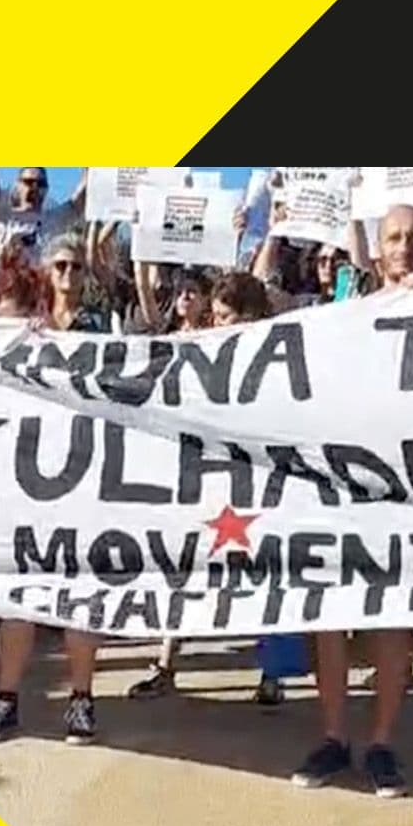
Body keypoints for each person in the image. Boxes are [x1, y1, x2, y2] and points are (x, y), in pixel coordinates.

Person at [289, 202, 413, 798]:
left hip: (412, 483)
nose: (404, 247)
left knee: (391, 615)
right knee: (331, 613)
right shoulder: (349, 312)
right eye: (393, 238)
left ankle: (380, 744)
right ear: (377, 252)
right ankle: (333, 738)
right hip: (346, 482)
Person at [126, 273, 287, 705]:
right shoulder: (196, 356)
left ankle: (272, 675)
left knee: (263, 575)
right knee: (183, 568)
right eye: (215, 316)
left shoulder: (280, 362)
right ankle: (165, 664)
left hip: (255, 483)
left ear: (254, 317)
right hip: (204, 479)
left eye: (226, 317)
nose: (216, 325)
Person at [0, 233, 107, 746]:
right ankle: (5, 699)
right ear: (46, 272)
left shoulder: (102, 330)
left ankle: (81, 701)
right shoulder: (26, 327)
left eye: (76, 267)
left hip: (87, 472)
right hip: (30, 475)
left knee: (80, 592)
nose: (68, 275)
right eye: (60, 266)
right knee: (20, 593)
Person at [0, 167, 87, 265]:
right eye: (28, 182)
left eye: (41, 184)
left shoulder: (54, 220)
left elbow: (82, 197)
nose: (35, 188)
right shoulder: (2, 215)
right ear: (17, 186)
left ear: (46, 189)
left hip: (39, 284)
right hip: (1, 284)